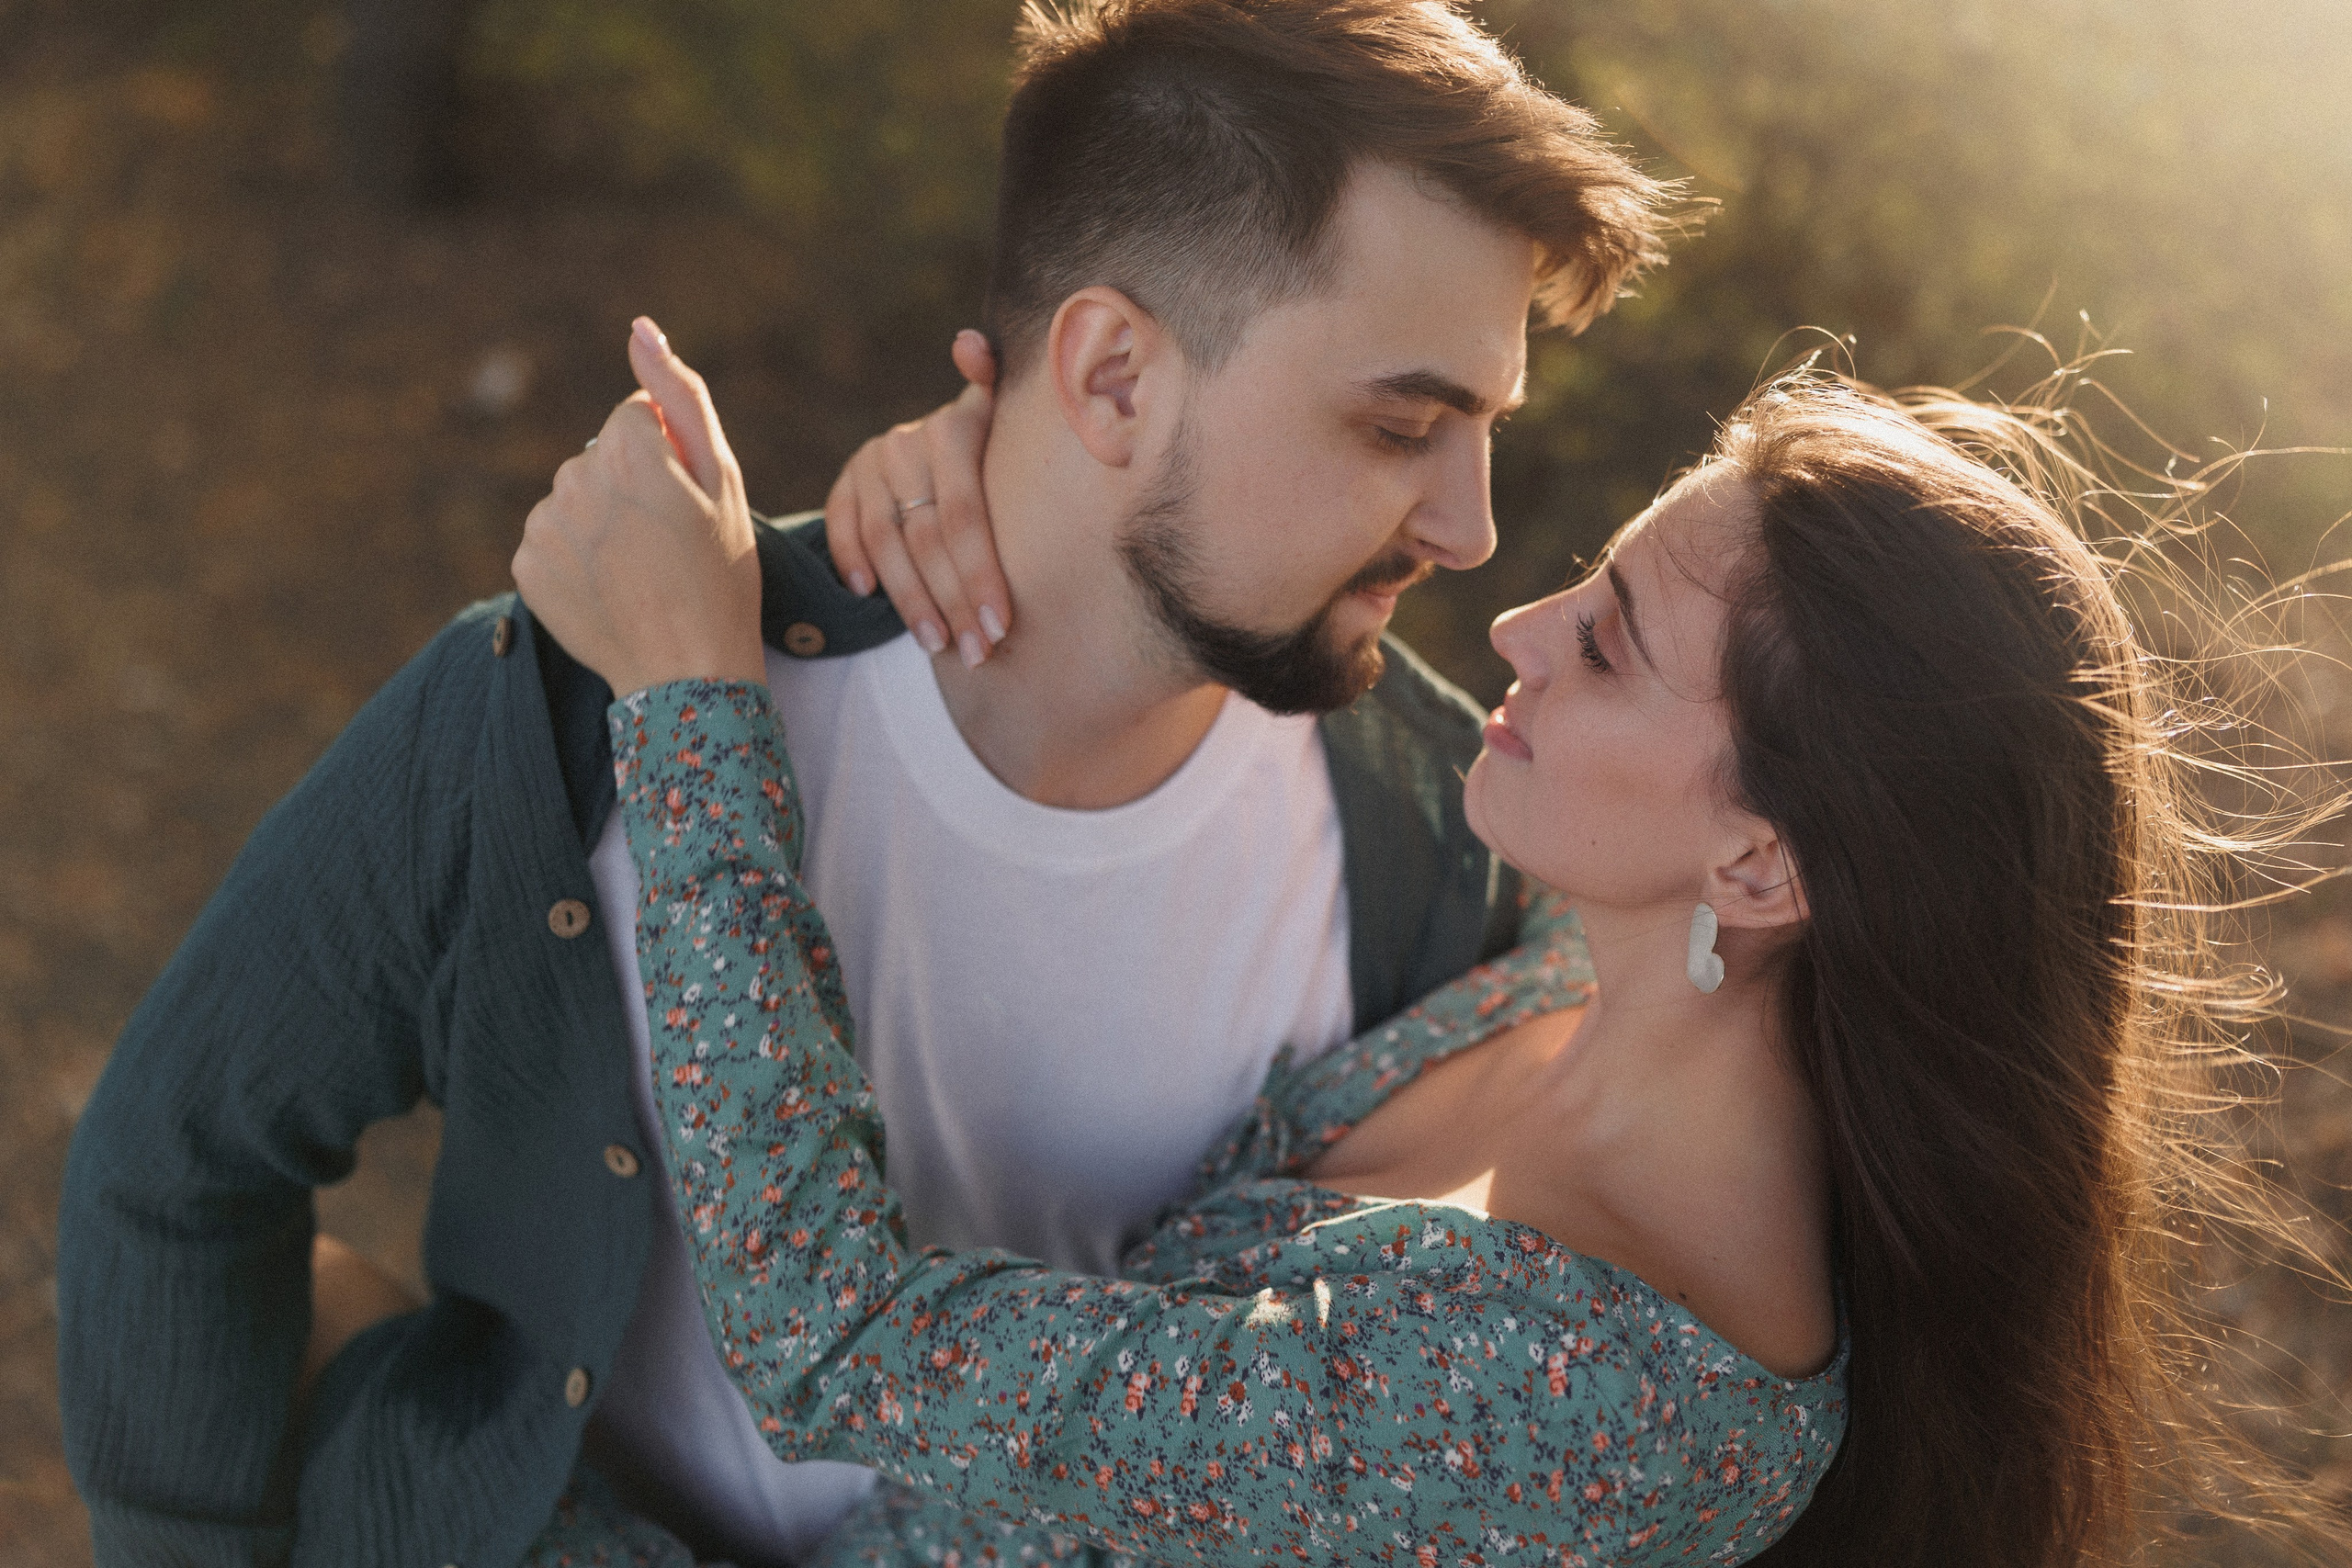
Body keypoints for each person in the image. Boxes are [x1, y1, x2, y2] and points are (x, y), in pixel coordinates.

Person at [55, 4, 1678, 1564]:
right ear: (1112, 377)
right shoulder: (583, 699)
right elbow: (177, 1161)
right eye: (1406, 422)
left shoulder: (1441, 844)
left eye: (1484, 432)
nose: (1471, 526)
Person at [514, 350, 2352, 1568]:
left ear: (1765, 856)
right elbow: (1297, 669)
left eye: (1610, 642)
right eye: (1583, 574)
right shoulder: (1566, 963)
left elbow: (831, 1337)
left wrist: (693, 702)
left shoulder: (1609, 1398)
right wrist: (1012, 489)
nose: (1523, 626)